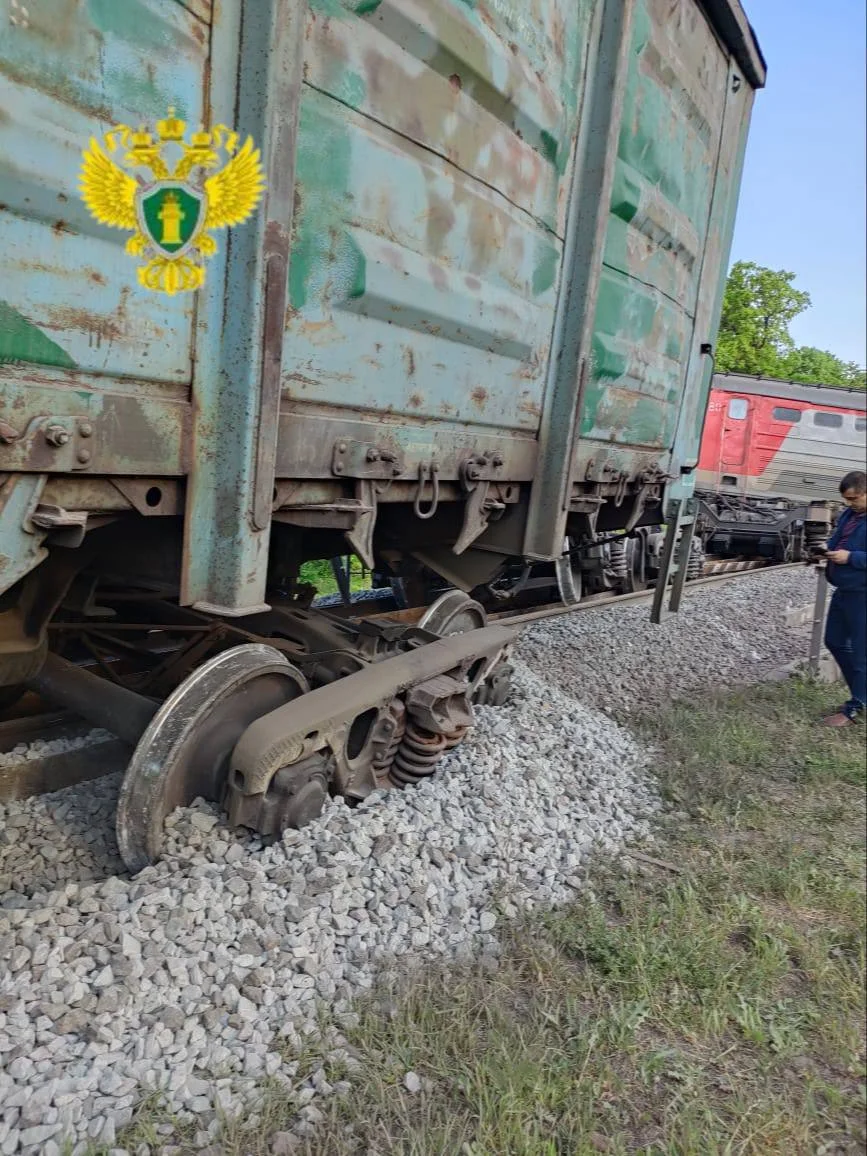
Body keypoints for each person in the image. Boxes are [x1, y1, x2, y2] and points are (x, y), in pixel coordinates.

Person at [820, 470, 867, 727]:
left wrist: (850, 558)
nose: (850, 504)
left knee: (862, 653)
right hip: (845, 590)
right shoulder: (851, 514)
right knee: (835, 641)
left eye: (855, 498)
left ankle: (856, 708)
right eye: (847, 500)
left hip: (863, 593)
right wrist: (825, 551)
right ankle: (862, 696)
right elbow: (838, 540)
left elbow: (852, 553)